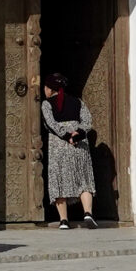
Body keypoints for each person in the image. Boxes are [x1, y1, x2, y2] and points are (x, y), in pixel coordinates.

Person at [42, 74, 96, 228]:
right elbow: (87, 121)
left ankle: (64, 220)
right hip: (79, 145)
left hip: (59, 145)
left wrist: (66, 136)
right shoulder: (77, 102)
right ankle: (87, 213)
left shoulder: (47, 104)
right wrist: (78, 134)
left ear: (49, 89)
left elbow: (51, 123)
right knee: (84, 179)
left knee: (59, 180)